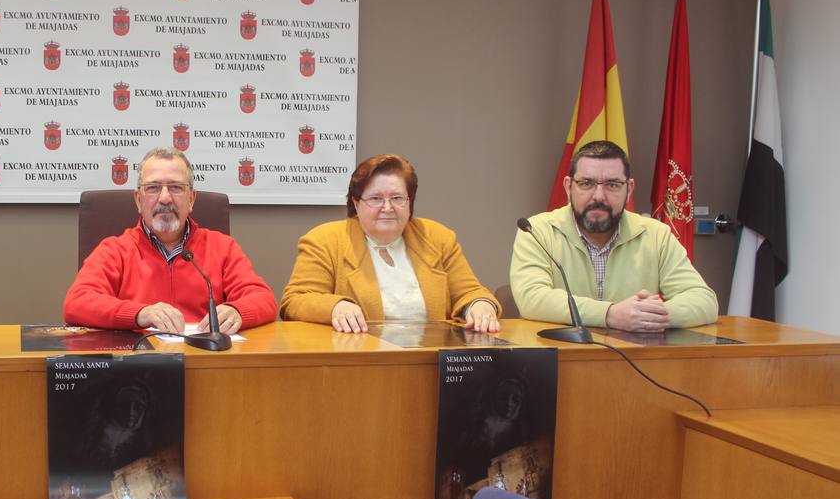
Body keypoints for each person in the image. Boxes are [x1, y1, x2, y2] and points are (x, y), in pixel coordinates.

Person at [63, 146, 276, 334]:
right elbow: (77, 303)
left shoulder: (222, 247)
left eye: (175, 187)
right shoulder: (114, 250)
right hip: (139, 365)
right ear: (139, 200)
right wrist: (140, 313)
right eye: (153, 188)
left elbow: (263, 299)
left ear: (191, 199)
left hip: (206, 362)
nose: (165, 198)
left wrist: (237, 311)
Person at [510, 140, 717, 331]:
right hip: (561, 362)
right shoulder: (537, 231)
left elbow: (703, 300)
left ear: (629, 189)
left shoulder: (656, 235)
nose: (599, 196)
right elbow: (532, 298)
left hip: (632, 363)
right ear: (568, 187)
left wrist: (651, 316)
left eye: (612, 185)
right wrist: (610, 314)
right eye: (586, 183)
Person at [280, 154, 500, 333]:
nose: (387, 207)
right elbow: (295, 301)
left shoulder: (437, 237)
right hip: (360, 361)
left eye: (397, 198)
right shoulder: (326, 240)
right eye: (375, 199)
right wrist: (336, 306)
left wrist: (480, 305)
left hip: (432, 359)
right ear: (356, 204)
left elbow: (469, 291)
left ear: (409, 202)